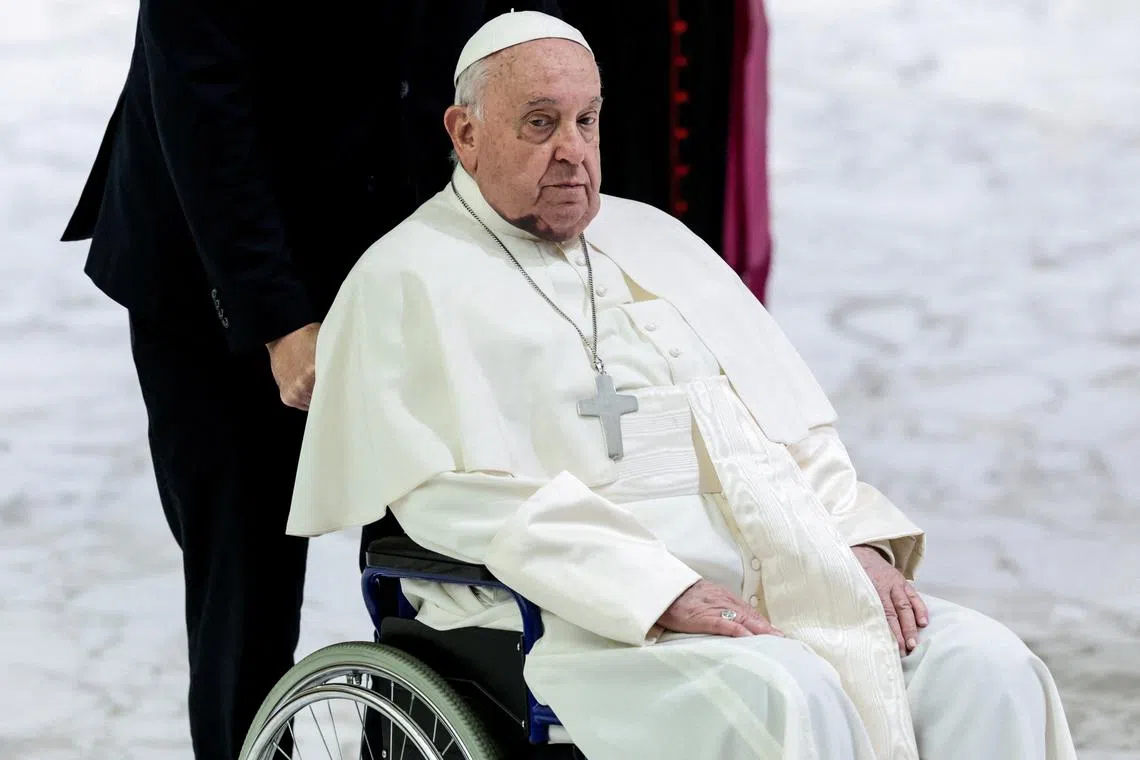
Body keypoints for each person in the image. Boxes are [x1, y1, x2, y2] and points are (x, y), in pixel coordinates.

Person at [287, 11, 1079, 760]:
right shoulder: (406, 277)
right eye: (540, 123)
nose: (572, 151)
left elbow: (792, 434)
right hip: (590, 621)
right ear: (465, 133)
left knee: (986, 666)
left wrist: (854, 543)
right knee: (787, 690)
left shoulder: (656, 237)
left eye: (587, 121)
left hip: (782, 577)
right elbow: (457, 502)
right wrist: (655, 589)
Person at [59, 2, 558, 757]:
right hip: (214, 255)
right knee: (243, 589)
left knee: (435, 576)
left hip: (410, 238)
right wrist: (278, 320)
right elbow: (203, 102)